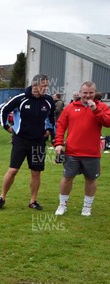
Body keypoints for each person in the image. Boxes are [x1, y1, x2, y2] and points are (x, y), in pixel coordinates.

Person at [0, 74, 55, 211]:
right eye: (43, 86)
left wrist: (49, 130)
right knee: (13, 170)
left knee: (36, 172)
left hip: (39, 141)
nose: (45, 88)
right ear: (35, 85)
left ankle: (33, 201)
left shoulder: (48, 100)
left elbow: (52, 117)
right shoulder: (20, 98)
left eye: (47, 85)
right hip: (21, 140)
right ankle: (2, 197)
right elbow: (3, 110)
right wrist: (6, 126)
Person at [53, 81, 110, 217]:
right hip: (72, 151)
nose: (88, 95)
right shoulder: (70, 107)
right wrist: (59, 143)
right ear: (80, 93)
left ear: (95, 93)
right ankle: (62, 205)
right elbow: (61, 125)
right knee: (67, 178)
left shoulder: (101, 107)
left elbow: (108, 123)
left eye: (91, 93)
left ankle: (87, 206)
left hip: (92, 153)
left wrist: (95, 109)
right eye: (85, 93)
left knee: (90, 179)